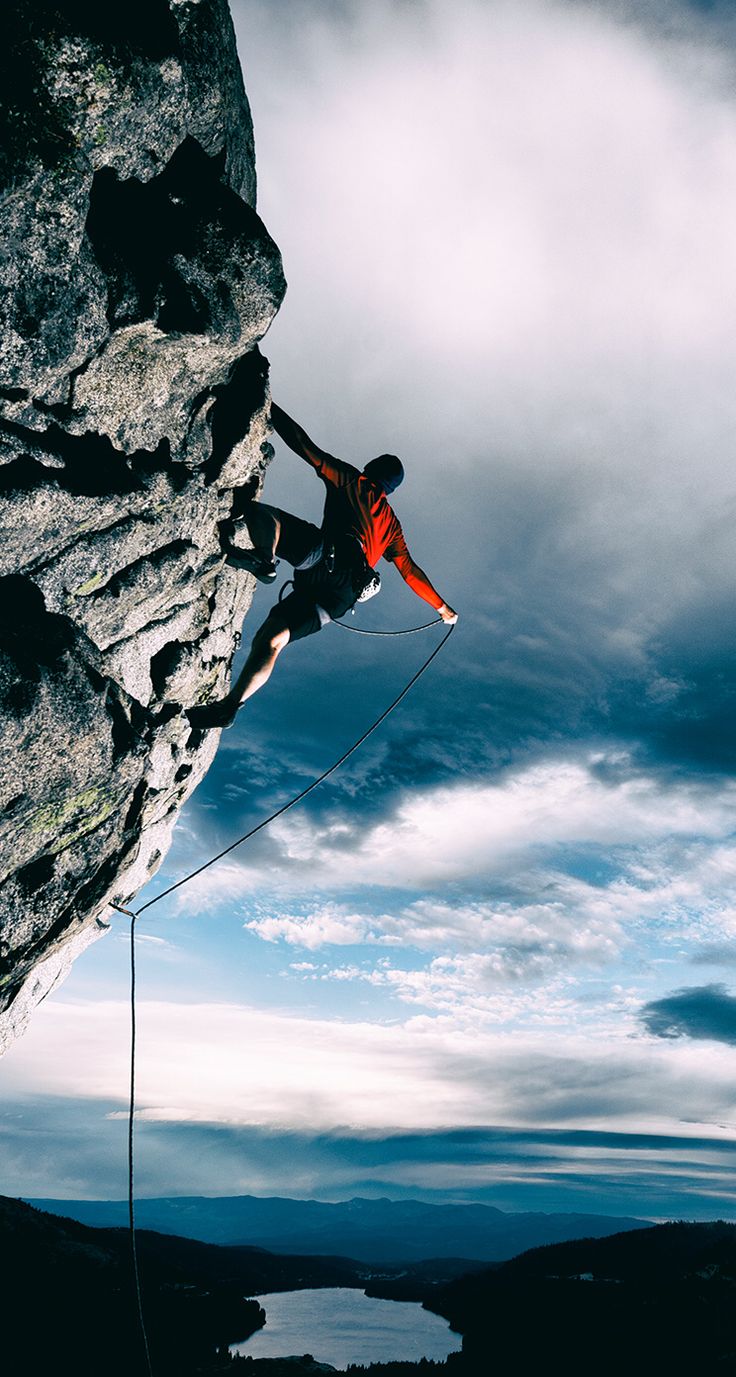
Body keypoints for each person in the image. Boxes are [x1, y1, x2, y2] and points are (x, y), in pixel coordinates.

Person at [187, 403, 458, 728]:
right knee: (274, 639)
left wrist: (268, 406)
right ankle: (232, 705)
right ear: (391, 490)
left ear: (371, 468)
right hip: (341, 599)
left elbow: (304, 446)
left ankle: (267, 560)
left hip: (331, 557)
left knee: (261, 514)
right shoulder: (392, 526)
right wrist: (442, 608)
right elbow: (410, 572)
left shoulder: (352, 481)